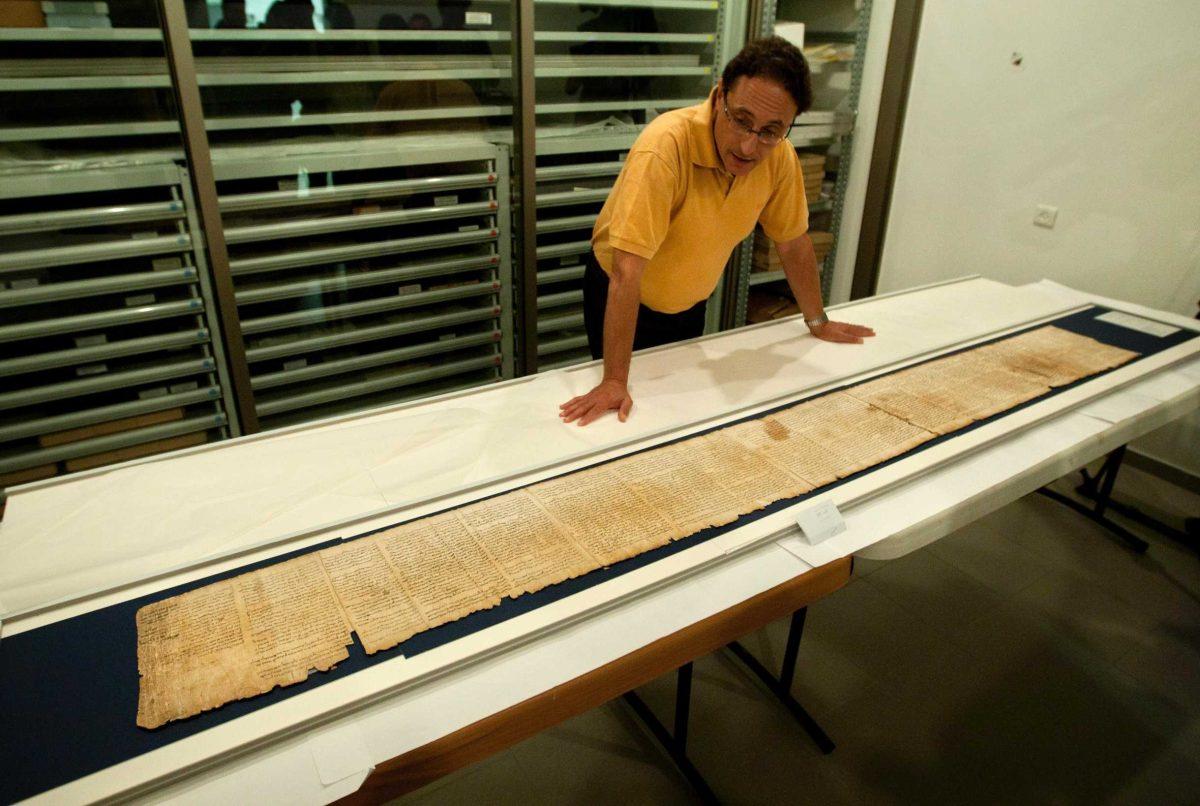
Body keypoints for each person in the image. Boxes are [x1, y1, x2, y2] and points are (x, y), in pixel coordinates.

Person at [559, 37, 875, 426]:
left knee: (676, 410)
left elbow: (793, 243)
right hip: (623, 292)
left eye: (770, 131)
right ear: (720, 95)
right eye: (741, 120)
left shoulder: (780, 159)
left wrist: (818, 321)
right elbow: (627, 271)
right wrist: (612, 380)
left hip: (690, 299)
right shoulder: (665, 148)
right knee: (623, 416)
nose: (748, 145)